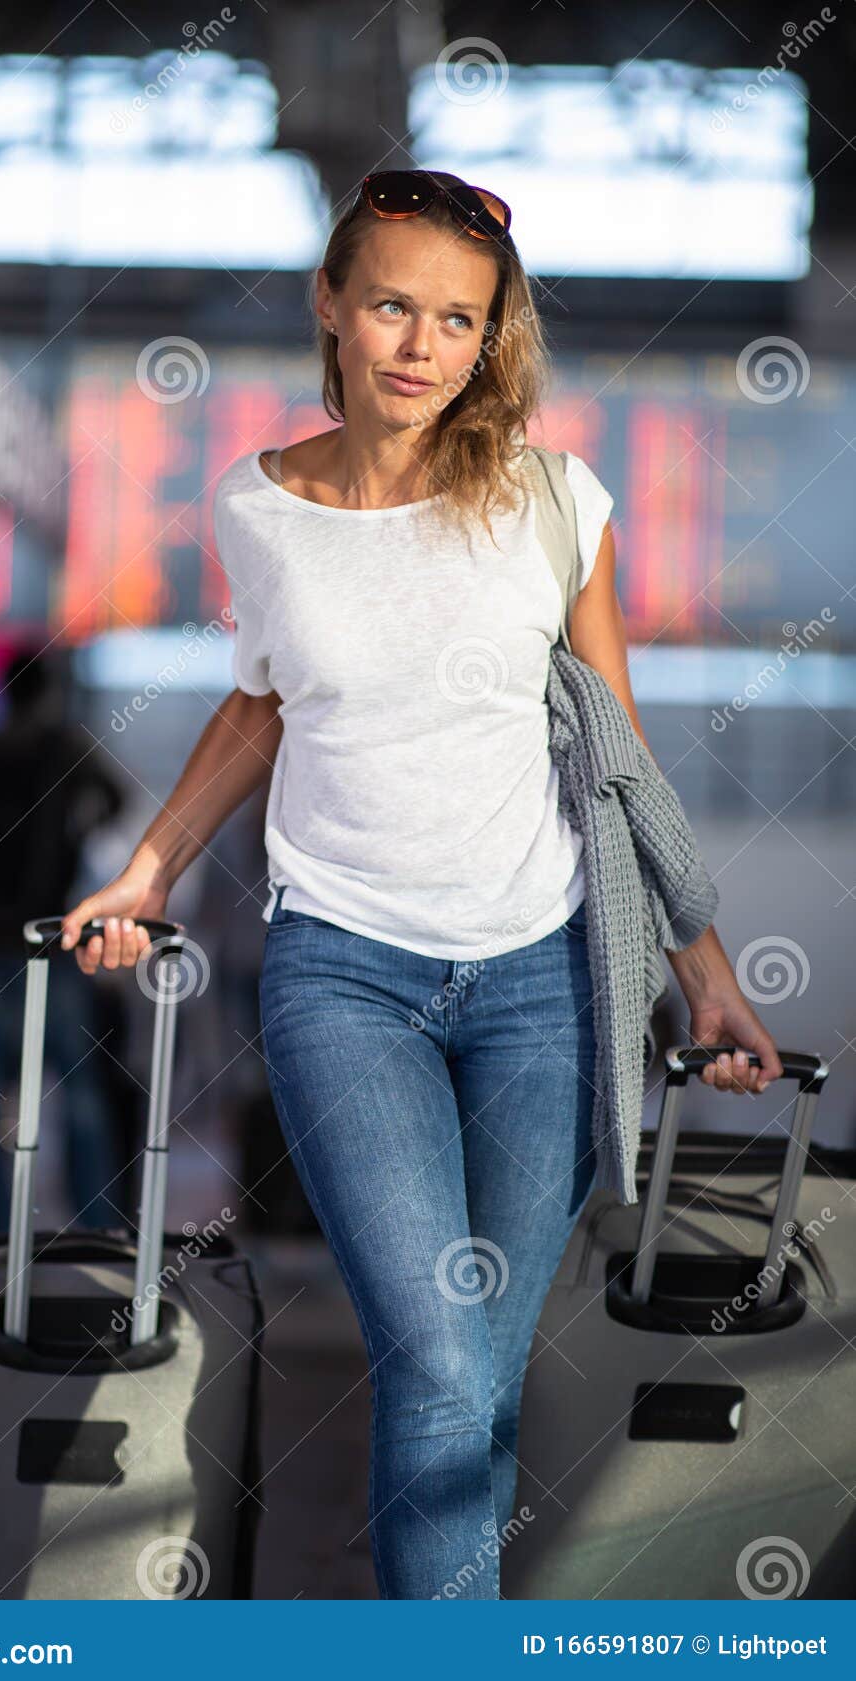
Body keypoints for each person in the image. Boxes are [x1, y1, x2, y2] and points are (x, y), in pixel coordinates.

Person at [58, 169, 784, 1599]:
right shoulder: (254, 506)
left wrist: (702, 965)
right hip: (343, 972)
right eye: (391, 303)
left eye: (458, 319)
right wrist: (147, 870)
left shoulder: (552, 498)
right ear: (330, 305)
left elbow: (617, 749)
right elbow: (259, 705)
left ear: (488, 337)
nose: (419, 343)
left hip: (541, 980)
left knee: (474, 1388)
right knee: (437, 1356)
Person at [0, 648, 127, 1233]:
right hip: (51, 939)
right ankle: (96, 1225)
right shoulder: (65, 752)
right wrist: (77, 835)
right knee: (80, 1093)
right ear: (46, 692)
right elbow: (115, 801)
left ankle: (1, 1228)